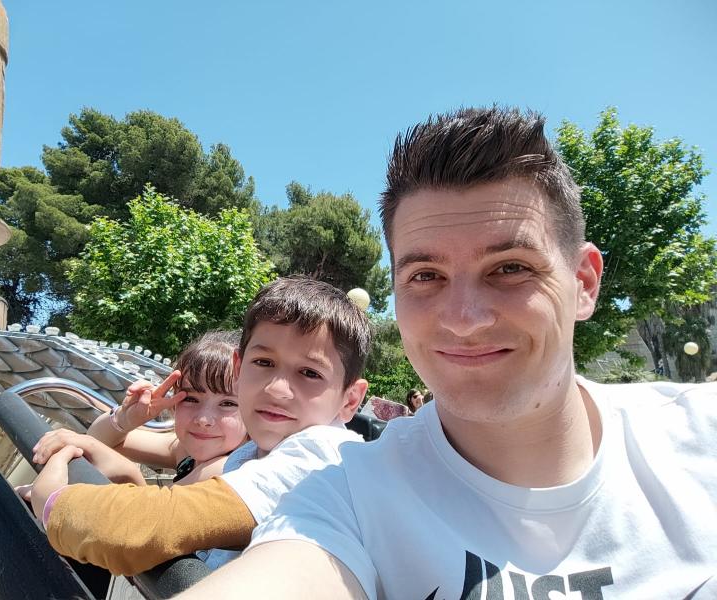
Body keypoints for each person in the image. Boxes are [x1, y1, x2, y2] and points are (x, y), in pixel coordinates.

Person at [178, 107, 717, 599]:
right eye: (425, 275)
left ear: (583, 282)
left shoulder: (701, 436)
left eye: (510, 268)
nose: (463, 318)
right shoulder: (348, 498)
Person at [28, 276, 371, 576]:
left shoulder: (320, 459)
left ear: (350, 400)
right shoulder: (254, 453)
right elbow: (114, 451)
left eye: (310, 373)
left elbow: (136, 530)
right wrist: (124, 421)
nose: (277, 389)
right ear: (240, 369)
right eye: (264, 362)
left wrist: (51, 500)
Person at [31, 330, 247, 487]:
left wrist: (128, 474)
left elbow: (157, 514)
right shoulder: (183, 450)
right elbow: (100, 440)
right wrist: (125, 419)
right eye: (190, 399)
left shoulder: (231, 467)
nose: (204, 419)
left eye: (228, 403)